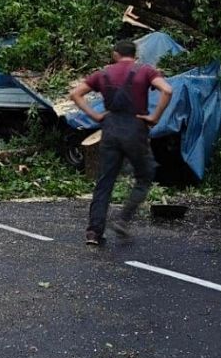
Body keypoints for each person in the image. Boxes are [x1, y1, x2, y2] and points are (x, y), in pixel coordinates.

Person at [70, 39, 173, 246]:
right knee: (144, 176)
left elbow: (75, 94)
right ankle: (123, 220)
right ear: (135, 54)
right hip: (136, 129)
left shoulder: (103, 74)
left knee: (105, 180)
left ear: (115, 54)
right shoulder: (145, 71)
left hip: (110, 129)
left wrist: (95, 116)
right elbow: (167, 90)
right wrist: (155, 117)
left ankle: (94, 232)